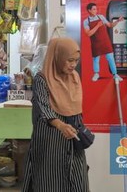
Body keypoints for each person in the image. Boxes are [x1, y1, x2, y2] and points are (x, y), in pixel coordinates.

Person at [21, 37, 89, 192]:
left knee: (78, 179)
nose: (73, 65)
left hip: (72, 138)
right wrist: (60, 125)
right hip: (51, 139)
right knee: (50, 180)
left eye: (76, 61)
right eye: (69, 60)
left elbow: (76, 108)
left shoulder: (74, 78)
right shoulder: (42, 79)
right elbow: (42, 107)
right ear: (57, 57)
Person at [82, 2, 123, 82]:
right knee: (96, 59)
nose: (96, 11)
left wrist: (118, 21)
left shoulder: (101, 17)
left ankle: (115, 74)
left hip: (105, 41)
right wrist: (97, 25)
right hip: (96, 43)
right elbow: (88, 33)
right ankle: (96, 74)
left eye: (96, 9)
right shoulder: (86, 21)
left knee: (110, 58)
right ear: (89, 10)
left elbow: (110, 25)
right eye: (94, 9)